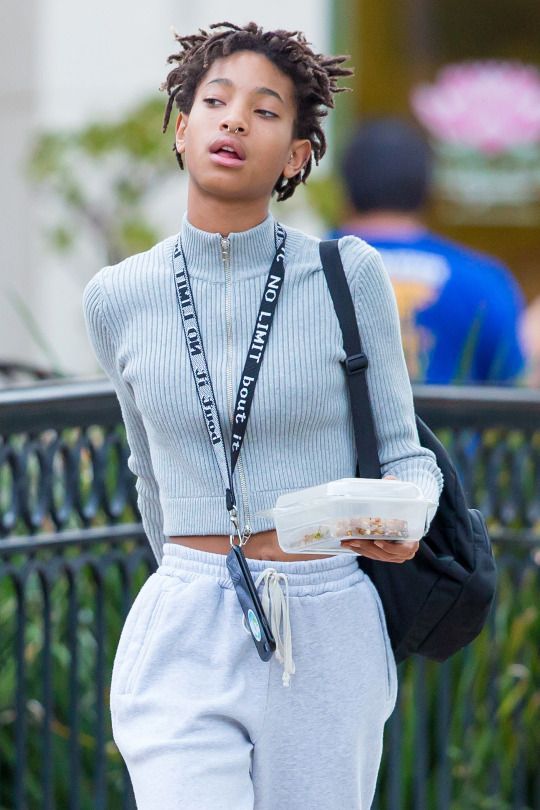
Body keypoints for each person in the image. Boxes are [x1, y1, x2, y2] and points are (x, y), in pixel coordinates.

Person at [82, 22, 443, 810]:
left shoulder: (347, 275)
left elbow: (405, 453)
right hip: (185, 620)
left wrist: (407, 518)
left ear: (298, 156)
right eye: (215, 101)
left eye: (266, 110)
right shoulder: (117, 297)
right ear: (183, 131)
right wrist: (196, 581)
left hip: (327, 621)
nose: (235, 119)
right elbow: (148, 471)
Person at [331, 117, 527, 385]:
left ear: (345, 185)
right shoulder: (482, 281)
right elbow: (514, 384)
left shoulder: (299, 268)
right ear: (427, 188)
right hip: (444, 428)